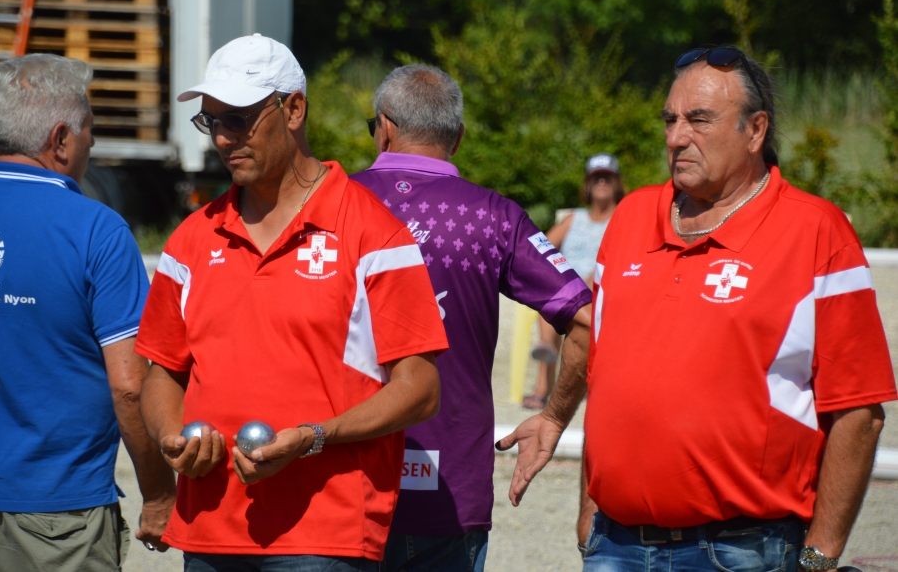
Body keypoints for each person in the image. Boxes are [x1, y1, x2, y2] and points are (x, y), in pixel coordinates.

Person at [499, 46, 897, 571]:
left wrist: (821, 555)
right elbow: (610, 370)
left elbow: (859, 412)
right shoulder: (632, 216)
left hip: (744, 550)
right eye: (670, 119)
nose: (675, 137)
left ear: (756, 130)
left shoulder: (817, 232)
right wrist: (589, 508)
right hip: (615, 545)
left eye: (699, 120)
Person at [135, 35, 448, 572]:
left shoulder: (374, 233)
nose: (224, 138)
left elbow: (419, 390)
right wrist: (171, 438)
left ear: (294, 108)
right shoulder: (191, 237)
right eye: (212, 122)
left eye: (240, 118)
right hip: (211, 531)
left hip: (325, 536)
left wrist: (313, 437)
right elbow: (161, 371)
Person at [352, 64, 592, 572]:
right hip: (449, 489)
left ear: (384, 127)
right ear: (457, 138)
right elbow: (587, 319)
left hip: (338, 480)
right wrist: (553, 419)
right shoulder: (493, 215)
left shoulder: (331, 206)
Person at [0, 54, 176, 570]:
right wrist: (159, 494)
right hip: (57, 514)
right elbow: (128, 385)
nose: (92, 144)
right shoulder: (97, 230)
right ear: (59, 139)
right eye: (88, 130)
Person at [524, 153, 623, 409]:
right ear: (587, 186)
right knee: (551, 299)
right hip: (566, 286)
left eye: (607, 177)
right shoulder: (574, 218)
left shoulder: (623, 218)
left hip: (600, 288)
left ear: (617, 184)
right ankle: (546, 362)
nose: (601, 182)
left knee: (578, 287)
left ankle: (545, 375)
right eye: (596, 177)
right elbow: (541, 247)